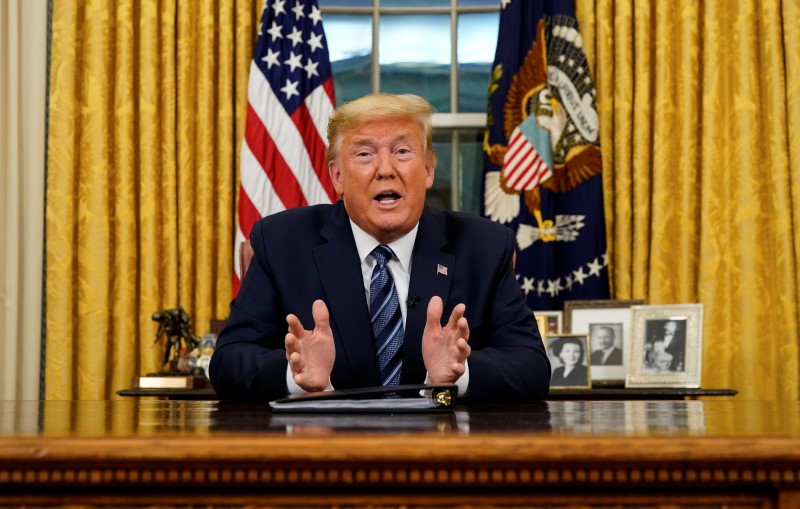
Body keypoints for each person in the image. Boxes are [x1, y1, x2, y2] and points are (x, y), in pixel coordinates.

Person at [209, 93, 551, 402]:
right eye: (364, 154)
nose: (385, 170)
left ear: (429, 171)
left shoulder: (484, 246)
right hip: (327, 456)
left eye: (402, 151)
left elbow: (531, 365)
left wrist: (459, 372)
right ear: (337, 176)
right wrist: (295, 375)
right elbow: (229, 361)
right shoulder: (282, 242)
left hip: (444, 456)